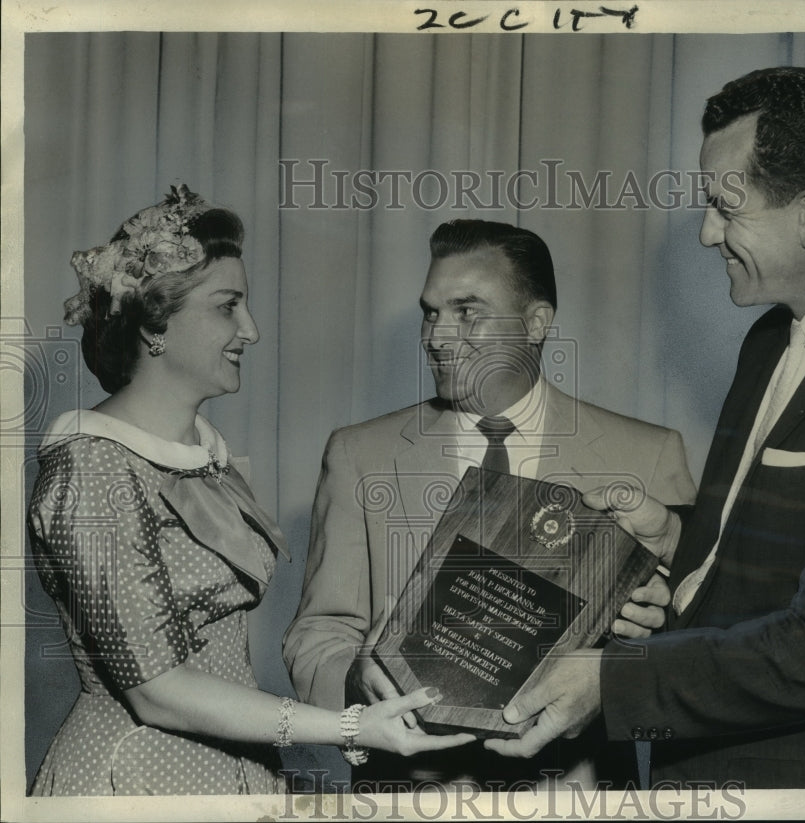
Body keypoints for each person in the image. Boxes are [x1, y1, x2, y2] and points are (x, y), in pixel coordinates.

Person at [484, 67, 805, 788]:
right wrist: (673, 537)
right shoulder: (771, 337)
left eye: (724, 208)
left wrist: (613, 682)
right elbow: (783, 549)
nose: (708, 233)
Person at [27, 186, 474, 796]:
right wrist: (350, 727)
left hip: (236, 770)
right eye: (227, 307)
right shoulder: (93, 467)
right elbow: (158, 692)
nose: (252, 330)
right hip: (135, 778)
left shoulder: (203, 459)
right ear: (155, 322)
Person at [283, 219, 697, 789]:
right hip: (409, 796)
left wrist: (644, 642)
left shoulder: (647, 455)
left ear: (536, 322)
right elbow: (316, 635)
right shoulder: (360, 454)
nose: (437, 336)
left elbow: (698, 648)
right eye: (431, 312)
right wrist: (356, 684)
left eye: (467, 311)